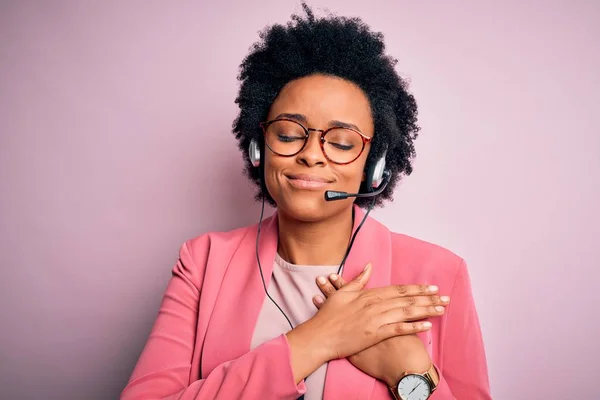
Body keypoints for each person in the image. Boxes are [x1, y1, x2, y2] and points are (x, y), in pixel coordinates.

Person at [121, 4, 491, 400]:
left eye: (342, 141)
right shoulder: (202, 261)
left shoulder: (438, 274)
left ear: (375, 164)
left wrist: (411, 374)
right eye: (287, 134)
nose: (312, 154)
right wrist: (316, 339)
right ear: (258, 147)